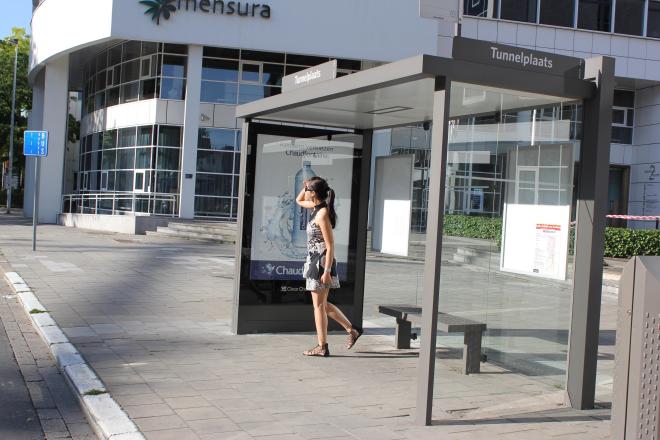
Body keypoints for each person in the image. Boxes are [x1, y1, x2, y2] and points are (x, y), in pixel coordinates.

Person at [295, 176, 362, 357]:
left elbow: (330, 245)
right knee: (322, 304)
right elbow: (298, 200)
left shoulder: (322, 213)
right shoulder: (315, 207)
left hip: (321, 263)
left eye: (307, 189)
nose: (305, 192)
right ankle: (352, 330)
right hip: (314, 260)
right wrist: (305, 186)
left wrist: (326, 271)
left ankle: (322, 346)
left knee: (318, 306)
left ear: (314, 193)